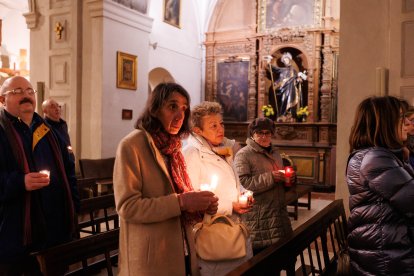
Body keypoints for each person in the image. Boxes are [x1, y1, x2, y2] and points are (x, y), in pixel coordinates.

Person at [113, 82, 219, 276]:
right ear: (155, 109)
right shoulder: (132, 145)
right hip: (150, 257)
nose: (180, 115)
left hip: (181, 249)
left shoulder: (174, 148)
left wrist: (201, 205)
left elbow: (181, 198)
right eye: (172, 106)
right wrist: (182, 202)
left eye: (184, 109)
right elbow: (128, 207)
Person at [0, 76, 79, 275]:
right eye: (17, 92)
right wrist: (20, 182)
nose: (25, 95)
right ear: (2, 100)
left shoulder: (50, 131)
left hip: (54, 232)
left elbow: (70, 171)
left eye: (29, 91)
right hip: (14, 236)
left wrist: (74, 206)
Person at [182, 101, 253, 276]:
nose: (220, 129)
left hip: (234, 228)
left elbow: (233, 180)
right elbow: (193, 199)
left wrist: (244, 192)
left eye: (221, 123)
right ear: (198, 130)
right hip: (212, 234)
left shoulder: (221, 149)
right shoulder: (193, 153)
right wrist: (231, 206)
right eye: (213, 125)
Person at [346, 96, 414, 275]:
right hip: (385, 259)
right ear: (384, 123)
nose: (407, 122)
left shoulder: (379, 155)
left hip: (387, 249)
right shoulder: (375, 159)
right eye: (401, 117)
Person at [234, 117, 294, 256]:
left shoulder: (275, 153)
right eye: (259, 133)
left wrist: (288, 180)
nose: (264, 136)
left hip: (278, 214)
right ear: (252, 134)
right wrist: (271, 177)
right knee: (263, 262)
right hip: (259, 218)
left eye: (267, 133)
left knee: (281, 258)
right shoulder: (244, 155)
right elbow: (243, 184)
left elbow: (280, 182)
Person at [264, 52, 306, 121]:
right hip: (283, 89)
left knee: (292, 101)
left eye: (287, 59)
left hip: (291, 88)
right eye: (284, 60)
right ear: (283, 61)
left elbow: (297, 79)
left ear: (289, 60)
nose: (286, 61)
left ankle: (291, 116)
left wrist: (299, 80)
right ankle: (282, 115)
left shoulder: (294, 70)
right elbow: (274, 68)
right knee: (283, 100)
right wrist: (269, 62)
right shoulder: (282, 70)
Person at [42, 98, 75, 163]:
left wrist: (71, 157)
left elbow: (67, 143)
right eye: (52, 107)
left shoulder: (63, 124)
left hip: (68, 162)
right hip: (54, 163)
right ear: (45, 111)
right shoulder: (43, 127)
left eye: (58, 106)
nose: (57, 109)